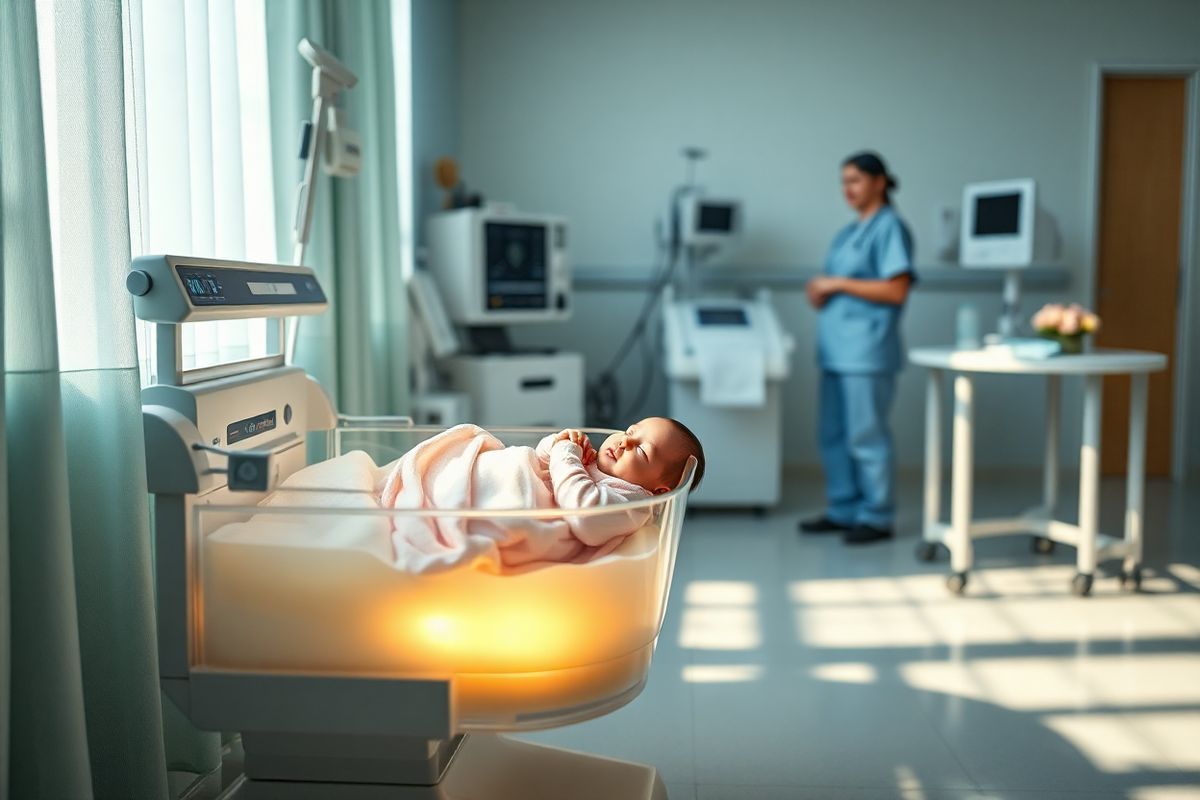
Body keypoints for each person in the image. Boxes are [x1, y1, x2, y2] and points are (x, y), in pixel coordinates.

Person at [799, 151, 915, 545]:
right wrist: (821, 292)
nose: (847, 189)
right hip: (835, 351)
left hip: (867, 353)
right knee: (832, 434)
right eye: (843, 181)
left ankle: (877, 516)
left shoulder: (889, 228)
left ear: (879, 182)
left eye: (856, 180)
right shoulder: (849, 233)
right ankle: (843, 509)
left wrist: (836, 284)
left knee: (866, 436)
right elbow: (838, 285)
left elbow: (896, 289)